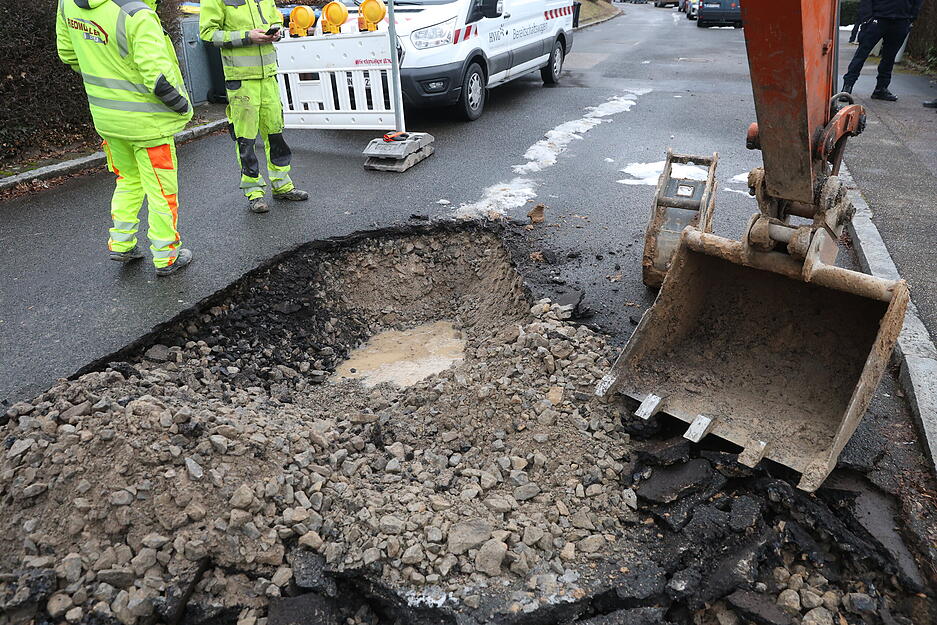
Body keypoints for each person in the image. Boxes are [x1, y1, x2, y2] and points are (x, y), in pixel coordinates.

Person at [56, 0, 194, 276]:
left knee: (128, 180)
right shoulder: (136, 13)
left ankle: (122, 243)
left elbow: (68, 54)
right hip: (148, 124)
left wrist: (105, 71)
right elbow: (159, 80)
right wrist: (183, 107)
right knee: (162, 191)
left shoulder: (67, 4)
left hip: (107, 119)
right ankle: (166, 256)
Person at [200, 0, 308, 214]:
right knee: (246, 140)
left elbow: (275, 19)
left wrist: (277, 32)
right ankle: (254, 192)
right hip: (241, 80)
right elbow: (208, 33)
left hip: (268, 76)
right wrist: (247, 36)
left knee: (275, 134)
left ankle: (282, 185)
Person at [842, 0, 923, 101]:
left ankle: (881, 88)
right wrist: (867, 18)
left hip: (901, 20)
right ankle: (847, 86)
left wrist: (910, 18)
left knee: (889, 57)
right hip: (878, 19)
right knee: (861, 54)